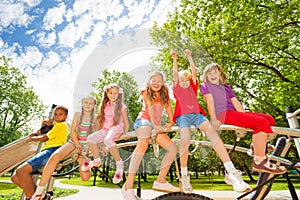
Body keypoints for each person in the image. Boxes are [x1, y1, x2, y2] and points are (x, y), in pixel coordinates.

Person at [171, 49, 251, 193]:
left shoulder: (193, 87)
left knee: (212, 133)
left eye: (186, 80)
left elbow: (194, 72)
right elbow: (175, 75)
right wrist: (175, 60)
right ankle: (184, 175)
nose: (184, 82)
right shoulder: (177, 89)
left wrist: (190, 57)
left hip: (197, 115)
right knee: (185, 139)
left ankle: (231, 172)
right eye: (181, 80)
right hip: (183, 116)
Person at [200, 63, 287, 175]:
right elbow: (209, 102)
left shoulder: (227, 87)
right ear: (206, 76)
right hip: (223, 114)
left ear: (220, 73)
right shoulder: (206, 86)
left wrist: (245, 116)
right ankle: (259, 160)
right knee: (261, 122)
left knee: (269, 119)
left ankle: (256, 145)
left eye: (215, 71)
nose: (213, 74)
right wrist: (213, 118)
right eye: (209, 73)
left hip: (233, 112)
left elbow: (235, 102)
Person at [122, 72, 180, 200]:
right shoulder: (146, 92)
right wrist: (155, 125)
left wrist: (170, 122)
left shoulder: (165, 96)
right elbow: (150, 109)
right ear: (149, 82)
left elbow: (169, 110)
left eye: (159, 81)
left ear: (163, 83)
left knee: (173, 149)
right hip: (144, 121)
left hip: (155, 127)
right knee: (143, 143)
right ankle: (128, 186)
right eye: (154, 80)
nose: (156, 83)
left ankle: (160, 180)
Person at [31, 97, 98, 200]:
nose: (88, 105)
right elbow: (73, 130)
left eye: (91, 103)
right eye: (86, 102)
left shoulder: (96, 118)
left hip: (86, 146)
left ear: (94, 105)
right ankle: (39, 191)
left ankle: (85, 164)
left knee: (85, 177)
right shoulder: (78, 115)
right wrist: (76, 143)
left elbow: (97, 134)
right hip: (73, 142)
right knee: (55, 156)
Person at [11, 105, 69, 200]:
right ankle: (42, 197)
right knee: (15, 177)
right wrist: (40, 128)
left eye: (60, 114)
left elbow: (44, 137)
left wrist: (33, 138)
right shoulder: (55, 125)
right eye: (55, 114)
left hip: (52, 151)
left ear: (66, 116)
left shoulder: (61, 125)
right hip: (46, 150)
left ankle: (32, 197)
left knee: (21, 171)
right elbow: (44, 133)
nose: (57, 116)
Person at [81, 84, 129, 185]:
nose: (113, 95)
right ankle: (97, 160)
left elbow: (126, 121)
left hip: (117, 128)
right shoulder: (105, 106)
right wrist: (101, 142)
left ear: (119, 94)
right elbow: (102, 122)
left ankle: (119, 164)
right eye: (110, 93)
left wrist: (126, 133)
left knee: (108, 140)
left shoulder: (122, 106)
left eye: (115, 93)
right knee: (90, 138)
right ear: (106, 93)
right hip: (106, 129)